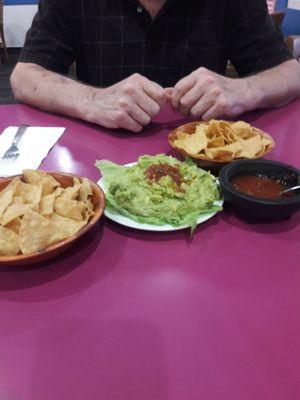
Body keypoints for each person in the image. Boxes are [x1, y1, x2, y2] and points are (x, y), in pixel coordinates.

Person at [10, 0, 300, 133]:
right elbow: (24, 76)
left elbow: (291, 74)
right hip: (98, 161)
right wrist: (94, 100)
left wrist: (241, 90)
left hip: (207, 165)